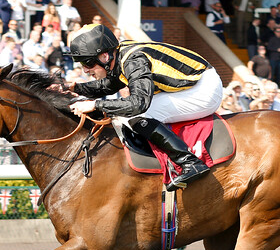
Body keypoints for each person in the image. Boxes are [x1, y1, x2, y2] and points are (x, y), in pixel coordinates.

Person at [63, 24, 222, 190]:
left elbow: (139, 104)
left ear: (104, 56)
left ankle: (189, 162)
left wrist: (95, 104)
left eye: (88, 63)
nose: (85, 70)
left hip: (204, 89)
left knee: (133, 115)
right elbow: (109, 85)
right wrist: (73, 88)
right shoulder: (118, 55)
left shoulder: (133, 60)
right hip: (193, 84)